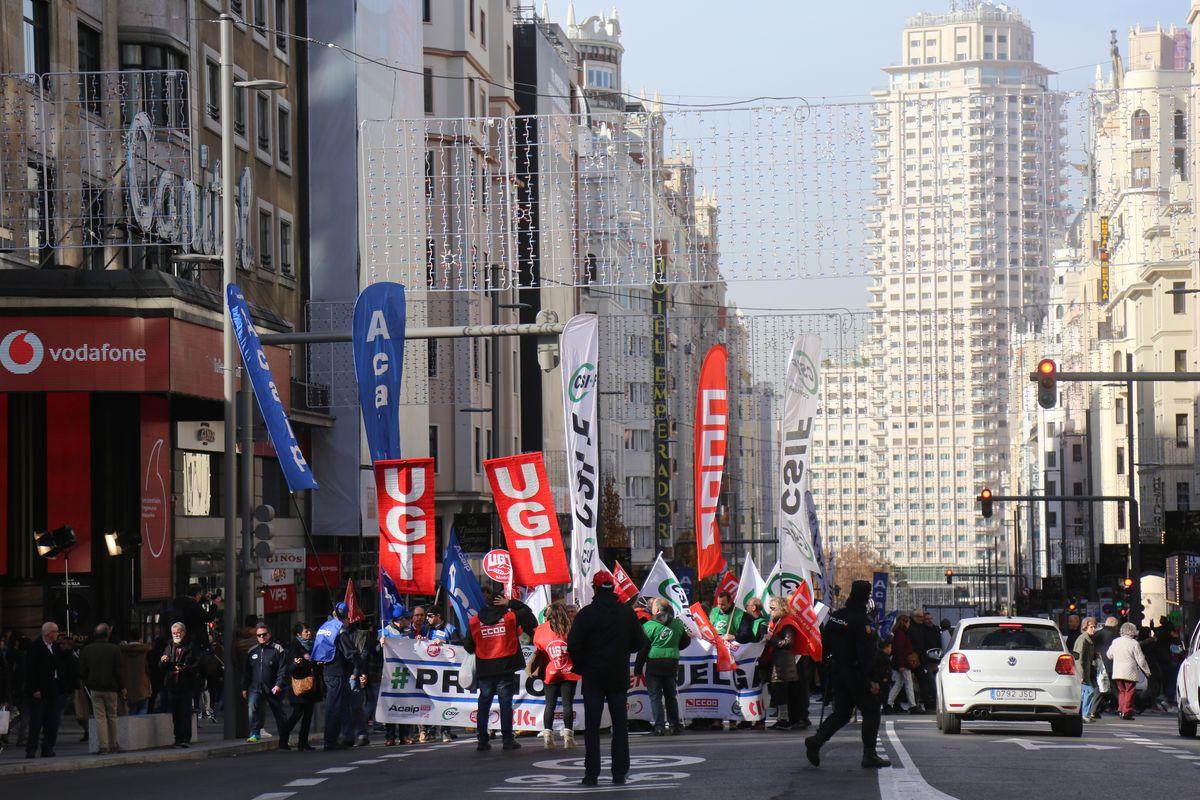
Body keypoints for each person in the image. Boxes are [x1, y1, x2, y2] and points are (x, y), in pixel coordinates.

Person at [567, 571, 648, 787]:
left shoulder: (586, 614)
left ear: (594, 589)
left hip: (593, 675)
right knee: (620, 726)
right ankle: (619, 773)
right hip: (617, 674)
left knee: (592, 728)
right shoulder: (626, 613)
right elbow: (641, 642)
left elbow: (573, 644)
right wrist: (622, 650)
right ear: (612, 588)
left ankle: (591, 774)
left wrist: (583, 664)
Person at [805, 580, 890, 769]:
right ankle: (869, 754)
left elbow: (824, 643)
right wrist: (873, 679)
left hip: (838, 671)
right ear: (866, 597)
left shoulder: (836, 616)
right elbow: (866, 654)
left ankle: (817, 740)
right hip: (857, 673)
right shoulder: (862, 621)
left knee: (842, 712)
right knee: (871, 710)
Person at [463, 582, 537, 752]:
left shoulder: (474, 621)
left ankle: (482, 741)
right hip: (505, 667)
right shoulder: (509, 617)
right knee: (505, 704)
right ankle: (508, 740)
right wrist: (509, 603)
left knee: (484, 704)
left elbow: (468, 646)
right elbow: (527, 611)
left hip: (485, 668)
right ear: (500, 602)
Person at [635, 598, 690, 737]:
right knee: (671, 695)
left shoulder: (649, 625)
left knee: (655, 696)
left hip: (654, 663)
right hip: (672, 662)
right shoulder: (677, 623)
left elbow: (643, 649)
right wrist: (673, 647)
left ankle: (659, 727)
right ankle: (674, 725)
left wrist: (638, 668)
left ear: (657, 610)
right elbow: (685, 641)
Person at [533, 601, 581, 748]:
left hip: (551, 671)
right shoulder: (572, 628)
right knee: (568, 704)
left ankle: (548, 737)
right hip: (569, 670)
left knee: (550, 704)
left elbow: (538, 645)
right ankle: (568, 739)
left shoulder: (542, 630)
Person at [314, 603, 361, 751]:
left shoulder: (325, 626)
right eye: (347, 618)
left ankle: (346, 738)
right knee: (334, 707)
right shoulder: (339, 629)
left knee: (342, 705)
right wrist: (360, 666)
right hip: (337, 671)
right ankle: (330, 741)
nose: (348, 622)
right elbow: (349, 652)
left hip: (327, 670)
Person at [760, 597, 808, 731]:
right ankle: (782, 719)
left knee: (783, 692)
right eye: (770, 608)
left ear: (781, 608)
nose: (771, 611)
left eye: (773, 608)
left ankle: (785, 719)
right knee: (778, 693)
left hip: (784, 663)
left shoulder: (787, 623)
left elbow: (788, 643)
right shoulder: (777, 622)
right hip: (777, 661)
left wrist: (772, 639)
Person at [23, 621, 69, 759]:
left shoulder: (55, 647)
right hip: (39, 691)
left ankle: (47, 748)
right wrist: (34, 689)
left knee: (52, 722)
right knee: (36, 723)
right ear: (48, 633)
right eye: (56, 631)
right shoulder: (35, 647)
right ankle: (31, 750)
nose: (58, 634)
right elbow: (29, 670)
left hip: (53, 689)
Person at [79, 623, 125, 754]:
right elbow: (119, 671)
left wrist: (88, 681)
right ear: (108, 634)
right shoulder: (115, 649)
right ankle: (113, 744)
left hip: (94, 688)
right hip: (111, 688)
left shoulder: (87, 649)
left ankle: (103, 746)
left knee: (100, 717)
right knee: (112, 716)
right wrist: (122, 686)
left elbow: (82, 671)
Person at [243, 621, 288, 745]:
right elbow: (247, 672)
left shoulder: (277, 649)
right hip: (255, 687)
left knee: (279, 712)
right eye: (259, 635)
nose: (262, 637)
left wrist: (279, 684)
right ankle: (254, 734)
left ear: (269, 634)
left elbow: (282, 669)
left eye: (264, 634)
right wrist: (244, 687)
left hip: (273, 687)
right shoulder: (252, 651)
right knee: (252, 709)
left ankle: (285, 737)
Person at [282, 623, 321, 751]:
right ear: (299, 634)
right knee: (297, 713)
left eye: (309, 631)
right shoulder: (295, 646)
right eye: (306, 632)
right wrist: (296, 664)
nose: (309, 633)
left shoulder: (312, 645)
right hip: (298, 687)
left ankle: (303, 742)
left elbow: (314, 663)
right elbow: (289, 668)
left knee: (308, 715)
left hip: (310, 686)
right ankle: (283, 738)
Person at [160, 622, 199, 747]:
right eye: (174, 633)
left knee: (185, 712)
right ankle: (178, 738)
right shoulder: (169, 646)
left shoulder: (191, 646)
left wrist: (185, 668)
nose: (176, 635)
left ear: (184, 632)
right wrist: (163, 660)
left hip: (186, 683)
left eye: (178, 632)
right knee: (176, 714)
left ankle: (185, 739)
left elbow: (197, 665)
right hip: (172, 684)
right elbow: (161, 666)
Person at [1107, 622, 1151, 720]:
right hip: (1130, 671)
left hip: (1118, 671)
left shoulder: (1115, 641)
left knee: (1121, 691)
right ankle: (1126, 711)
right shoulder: (1134, 643)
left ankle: (1121, 709)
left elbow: (1109, 655)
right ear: (1133, 632)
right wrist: (1147, 670)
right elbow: (1141, 659)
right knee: (1130, 691)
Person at [886, 615, 918, 714]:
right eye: (908, 622)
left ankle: (888, 703)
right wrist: (901, 665)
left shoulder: (898, 633)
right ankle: (913, 705)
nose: (909, 625)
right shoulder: (901, 634)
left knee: (899, 683)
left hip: (899, 662)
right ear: (904, 622)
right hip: (903, 662)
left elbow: (897, 650)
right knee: (908, 683)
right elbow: (899, 650)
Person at [1093, 616, 1120, 717]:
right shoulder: (1116, 635)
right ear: (1115, 626)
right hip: (1111, 663)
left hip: (1098, 663)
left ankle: (1099, 707)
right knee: (1114, 687)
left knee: (1100, 686)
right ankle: (1116, 706)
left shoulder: (1097, 634)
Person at [1073, 617, 1099, 722]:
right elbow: (1078, 658)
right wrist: (1081, 674)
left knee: (1086, 693)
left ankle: (1084, 714)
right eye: (1091, 627)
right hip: (1082, 672)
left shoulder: (1088, 639)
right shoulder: (1083, 639)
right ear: (1085, 627)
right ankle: (1084, 714)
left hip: (1087, 671)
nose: (1094, 629)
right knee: (1090, 691)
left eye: (1094, 627)